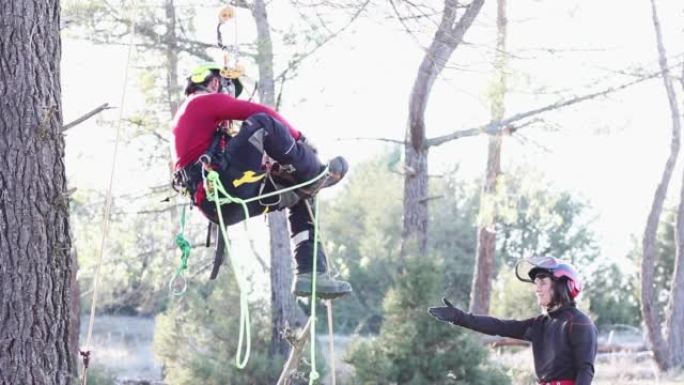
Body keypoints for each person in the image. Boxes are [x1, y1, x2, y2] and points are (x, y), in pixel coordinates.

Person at [171, 62, 352, 299]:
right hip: (223, 192)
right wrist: (301, 141)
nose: (229, 98)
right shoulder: (198, 102)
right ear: (214, 83)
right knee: (264, 124)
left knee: (299, 191)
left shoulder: (200, 128)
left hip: (226, 203)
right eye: (228, 90)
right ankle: (315, 173)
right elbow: (263, 114)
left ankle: (310, 272)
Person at [428, 256, 597, 385]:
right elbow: (499, 326)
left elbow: (585, 370)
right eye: (536, 283)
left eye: (543, 282)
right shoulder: (539, 323)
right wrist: (459, 317)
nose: (537, 289)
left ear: (563, 285)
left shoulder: (579, 323)